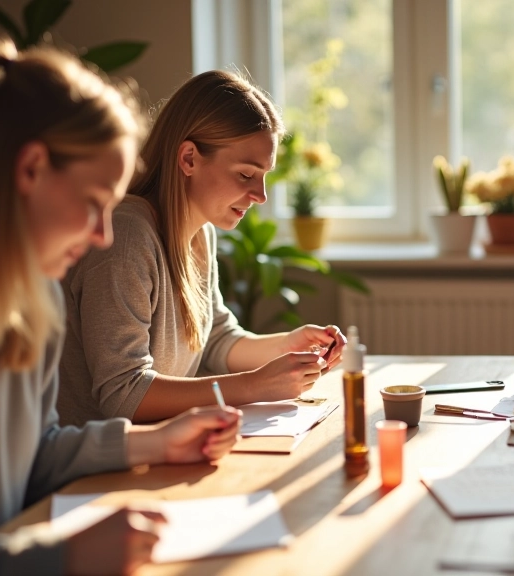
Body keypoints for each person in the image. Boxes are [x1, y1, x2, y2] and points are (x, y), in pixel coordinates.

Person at [0, 39, 241, 576]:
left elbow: (34, 455)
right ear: (31, 169)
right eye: (94, 205)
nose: (103, 235)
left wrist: (152, 443)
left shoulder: (35, 292)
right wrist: (62, 557)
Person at [57, 70, 347, 426]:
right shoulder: (126, 238)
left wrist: (288, 345)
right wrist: (254, 386)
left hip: (158, 448)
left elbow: (214, 340)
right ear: (189, 159)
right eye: (245, 175)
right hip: (97, 469)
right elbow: (123, 393)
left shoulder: (199, 232)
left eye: (264, 176)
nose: (261, 196)